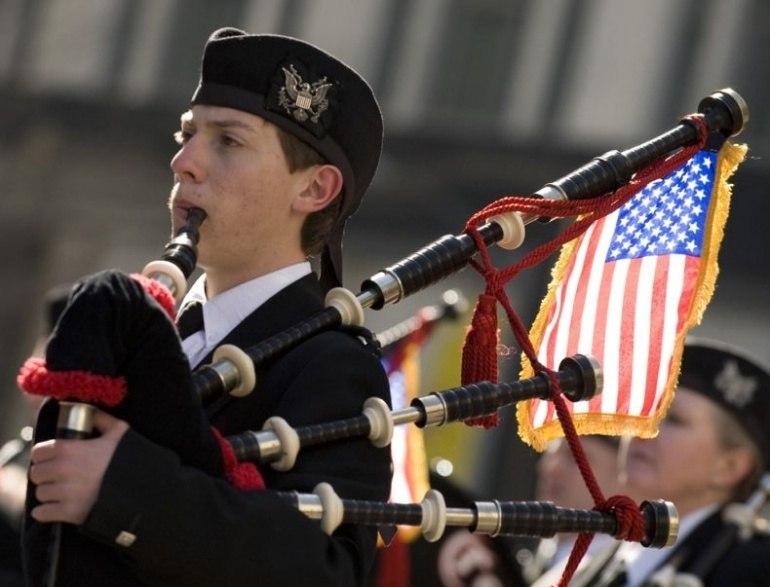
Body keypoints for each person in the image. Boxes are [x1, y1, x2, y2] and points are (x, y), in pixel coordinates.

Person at [24, 29, 391, 585]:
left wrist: (130, 494)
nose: (183, 162)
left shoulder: (330, 365)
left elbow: (327, 571)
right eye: (188, 133)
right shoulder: (149, 334)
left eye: (229, 142)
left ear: (315, 189)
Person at [584, 338, 770, 586]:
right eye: (645, 413)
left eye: (674, 420)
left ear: (730, 467)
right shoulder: (595, 561)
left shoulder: (754, 570)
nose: (642, 432)